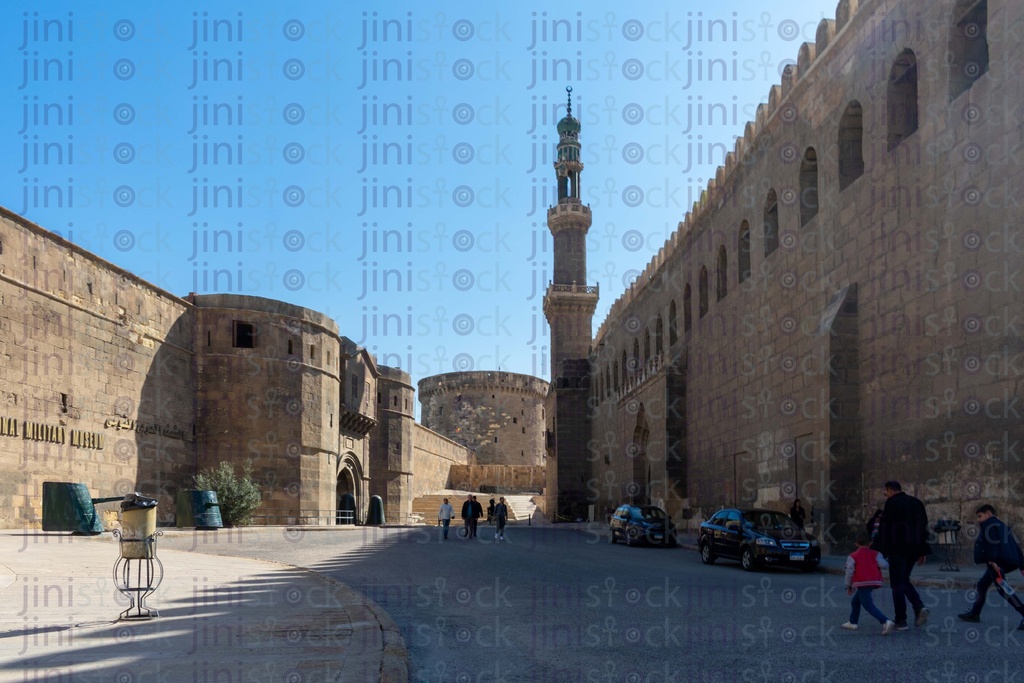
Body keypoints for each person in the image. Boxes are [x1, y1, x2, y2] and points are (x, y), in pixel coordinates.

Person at [872, 480, 931, 631]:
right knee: (904, 580)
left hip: (898, 549)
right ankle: (918, 607)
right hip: (914, 549)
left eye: (885, 491)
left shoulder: (892, 504)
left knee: (897, 584)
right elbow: (923, 527)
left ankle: (901, 619)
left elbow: (885, 528)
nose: (885, 494)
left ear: (890, 490)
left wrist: (875, 549)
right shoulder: (917, 503)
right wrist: (922, 551)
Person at [957, 504, 1024, 629]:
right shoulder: (1003, 525)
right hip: (1001, 562)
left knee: (1003, 590)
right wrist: (1022, 565)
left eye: (980, 516)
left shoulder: (988, 524)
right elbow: (1015, 545)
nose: (978, 520)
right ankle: (974, 614)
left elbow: (991, 543)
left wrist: (992, 561)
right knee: (982, 585)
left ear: (988, 513)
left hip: (995, 563)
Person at [843, 532, 896, 635]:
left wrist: (848, 585)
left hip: (861, 582)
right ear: (870, 543)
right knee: (856, 601)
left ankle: (885, 621)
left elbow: (849, 572)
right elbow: (884, 565)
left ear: (856, 544)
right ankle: (853, 621)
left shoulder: (853, 556)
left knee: (867, 604)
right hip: (872, 581)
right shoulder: (876, 554)